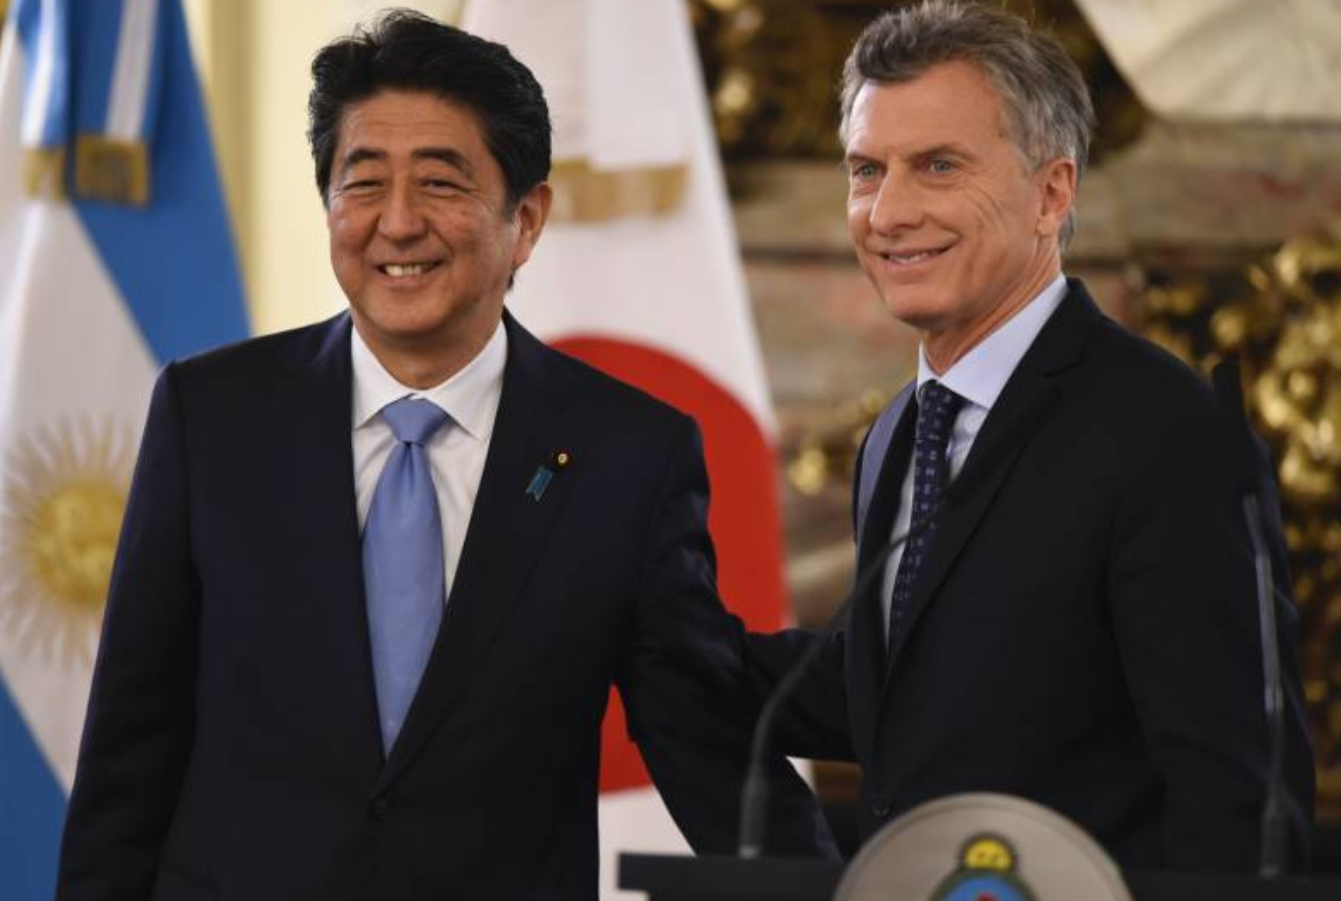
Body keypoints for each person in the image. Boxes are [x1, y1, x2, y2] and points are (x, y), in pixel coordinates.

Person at [55, 12, 834, 900]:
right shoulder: (212, 418)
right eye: (362, 183)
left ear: (526, 220)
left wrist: (832, 890)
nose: (397, 222)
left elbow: (706, 740)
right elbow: (131, 748)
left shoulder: (627, 456)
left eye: (439, 182)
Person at [742, 0, 1314, 871]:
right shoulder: (897, 432)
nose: (887, 212)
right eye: (866, 170)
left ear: (1052, 193)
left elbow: (1237, 794)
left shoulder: (1170, 433)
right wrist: (647, 625)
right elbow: (908, 693)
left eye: (938, 166)